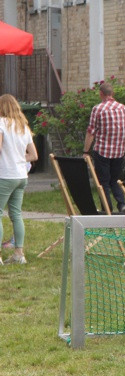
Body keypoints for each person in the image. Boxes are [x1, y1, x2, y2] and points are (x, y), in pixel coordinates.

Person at [82, 82, 125, 213]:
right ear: (112, 93)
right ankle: (122, 204)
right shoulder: (124, 109)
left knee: (103, 182)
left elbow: (91, 132)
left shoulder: (98, 109)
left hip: (102, 152)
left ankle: (107, 208)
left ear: (101, 94)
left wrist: (86, 151)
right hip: (118, 153)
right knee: (114, 180)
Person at [0, 94, 38, 265]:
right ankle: (19, 254)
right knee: (16, 214)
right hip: (21, 176)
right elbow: (34, 155)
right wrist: (18, 159)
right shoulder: (23, 126)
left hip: (5, 175)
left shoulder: (1, 123)